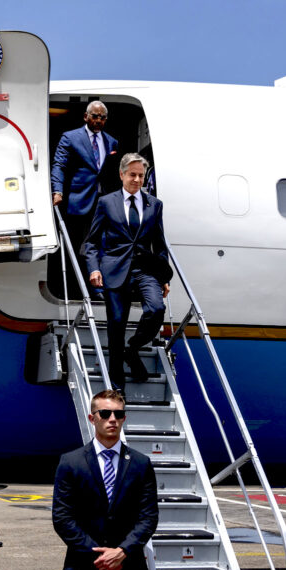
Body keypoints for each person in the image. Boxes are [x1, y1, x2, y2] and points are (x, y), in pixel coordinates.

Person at [52, 389, 159, 570]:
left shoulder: (140, 464)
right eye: (105, 413)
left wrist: (121, 552)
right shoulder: (71, 462)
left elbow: (148, 517)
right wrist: (99, 554)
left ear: (124, 418)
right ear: (92, 417)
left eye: (118, 414)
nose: (112, 419)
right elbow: (62, 518)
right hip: (83, 569)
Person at [81, 153, 172, 392]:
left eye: (141, 176)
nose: (137, 180)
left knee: (156, 309)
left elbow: (159, 244)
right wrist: (94, 269)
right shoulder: (106, 202)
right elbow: (90, 242)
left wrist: (163, 277)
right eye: (132, 175)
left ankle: (132, 348)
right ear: (121, 175)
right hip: (114, 268)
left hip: (145, 269)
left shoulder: (155, 204)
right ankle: (117, 385)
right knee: (116, 324)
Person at [51, 101, 119, 270]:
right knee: (76, 243)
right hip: (79, 200)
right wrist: (57, 190)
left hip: (104, 200)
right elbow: (59, 165)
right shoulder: (70, 137)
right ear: (86, 116)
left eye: (102, 117)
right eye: (95, 116)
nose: (98, 120)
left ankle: (97, 282)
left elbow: (114, 172)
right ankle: (75, 280)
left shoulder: (112, 142)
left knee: (101, 242)